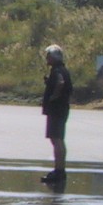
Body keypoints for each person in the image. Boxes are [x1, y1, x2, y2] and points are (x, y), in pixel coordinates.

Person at [41, 44, 72, 183]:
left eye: (48, 56)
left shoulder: (58, 70)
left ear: (54, 57)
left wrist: (53, 97)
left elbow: (60, 82)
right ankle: (60, 170)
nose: (47, 59)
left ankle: (59, 171)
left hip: (57, 109)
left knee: (56, 139)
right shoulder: (62, 69)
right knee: (58, 139)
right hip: (61, 109)